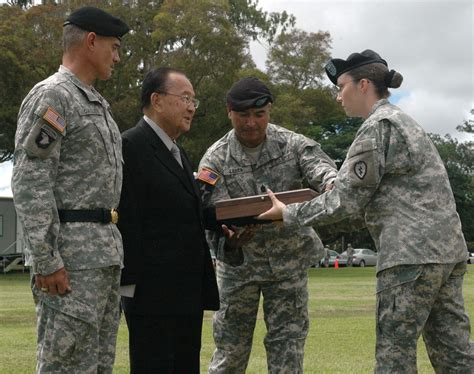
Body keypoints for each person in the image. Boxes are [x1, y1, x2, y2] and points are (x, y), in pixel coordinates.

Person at [258, 49, 474, 372]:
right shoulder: (406, 122)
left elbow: (345, 199)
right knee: (455, 356)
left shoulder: (377, 127)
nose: (337, 96)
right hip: (447, 254)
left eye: (340, 86)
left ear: (362, 85)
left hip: (409, 258)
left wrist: (288, 213)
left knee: (393, 359)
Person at [11, 6, 129, 373]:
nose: (118, 57)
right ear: (91, 41)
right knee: (65, 365)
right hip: (71, 262)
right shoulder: (55, 96)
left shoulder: (94, 103)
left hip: (103, 256)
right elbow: (30, 180)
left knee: (96, 365)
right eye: (114, 46)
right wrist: (47, 260)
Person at [197, 77, 338, 373]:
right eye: (243, 115)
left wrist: (331, 183)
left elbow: (323, 171)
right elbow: (210, 212)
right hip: (240, 270)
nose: (251, 123)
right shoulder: (215, 158)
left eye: (259, 115)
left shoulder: (293, 144)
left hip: (288, 266)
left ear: (269, 111)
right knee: (230, 352)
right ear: (229, 112)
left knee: (287, 348)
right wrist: (229, 239)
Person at [118, 67, 219, 373]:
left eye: (194, 100)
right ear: (157, 100)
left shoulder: (177, 151)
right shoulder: (130, 146)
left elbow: (185, 212)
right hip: (152, 296)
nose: (191, 107)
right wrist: (129, 286)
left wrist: (229, 220)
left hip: (185, 293)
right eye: (185, 98)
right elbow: (127, 219)